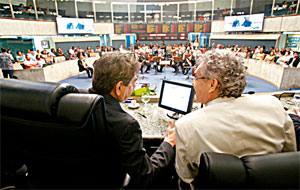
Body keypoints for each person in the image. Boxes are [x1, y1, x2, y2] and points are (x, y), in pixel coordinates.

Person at [172, 50, 297, 187]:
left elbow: (186, 177)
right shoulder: (274, 107)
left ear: (213, 84)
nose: (193, 82)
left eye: (196, 77)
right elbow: (290, 158)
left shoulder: (186, 125)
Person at [88, 53, 176, 188]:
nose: (134, 87)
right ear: (118, 88)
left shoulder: (73, 103)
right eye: (134, 82)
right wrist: (169, 142)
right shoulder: (126, 124)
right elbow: (145, 174)